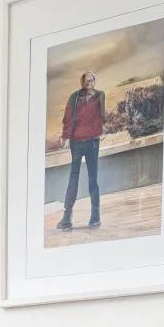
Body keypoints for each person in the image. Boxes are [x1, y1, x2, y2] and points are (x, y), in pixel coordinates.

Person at [56, 70, 106, 231]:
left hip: (92, 142)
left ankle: (95, 216)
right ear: (82, 83)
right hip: (76, 142)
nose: (89, 83)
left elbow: (101, 116)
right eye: (86, 81)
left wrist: (102, 130)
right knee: (73, 178)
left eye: (91, 80)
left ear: (94, 81)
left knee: (93, 178)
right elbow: (67, 117)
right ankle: (66, 217)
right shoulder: (75, 97)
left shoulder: (100, 95)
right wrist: (65, 136)